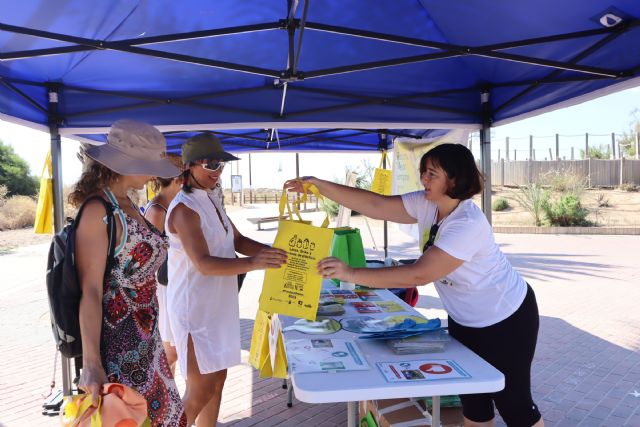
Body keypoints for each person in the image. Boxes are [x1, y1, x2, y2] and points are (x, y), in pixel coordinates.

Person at [285, 143, 544, 427]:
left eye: (432, 173)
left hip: (505, 319)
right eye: (424, 172)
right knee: (474, 402)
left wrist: (350, 273)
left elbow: (419, 274)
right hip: (465, 319)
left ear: (454, 179)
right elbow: (375, 205)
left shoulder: (467, 222)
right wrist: (320, 185)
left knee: (514, 403)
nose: (424, 179)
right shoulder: (427, 204)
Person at [166, 133, 287, 426]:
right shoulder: (184, 209)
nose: (217, 172)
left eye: (221, 165)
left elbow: (239, 240)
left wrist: (279, 255)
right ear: (189, 167)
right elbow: (204, 264)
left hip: (218, 305)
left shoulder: (212, 200)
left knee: (217, 381)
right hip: (194, 310)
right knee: (199, 389)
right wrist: (256, 263)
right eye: (210, 165)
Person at [71, 119, 187, 426]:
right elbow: (91, 290)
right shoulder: (99, 210)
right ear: (123, 163)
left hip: (146, 341)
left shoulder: (126, 203)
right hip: (119, 350)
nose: (155, 173)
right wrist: (92, 363)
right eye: (149, 164)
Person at [144, 161, 182, 375]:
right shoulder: (158, 209)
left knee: (173, 349)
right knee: (171, 351)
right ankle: (163, 396)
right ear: (177, 180)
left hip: (172, 280)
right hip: (164, 284)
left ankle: (168, 396)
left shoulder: (171, 204)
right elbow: (152, 254)